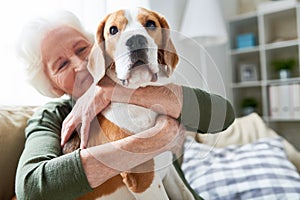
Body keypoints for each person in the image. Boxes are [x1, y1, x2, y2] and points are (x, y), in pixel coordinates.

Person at [15, 10, 235, 200]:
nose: (81, 64)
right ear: (53, 86)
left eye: (82, 49)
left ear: (101, 50)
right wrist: (154, 141)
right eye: (62, 64)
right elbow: (31, 189)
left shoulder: (147, 87)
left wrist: (111, 91)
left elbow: (223, 115)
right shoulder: (52, 116)